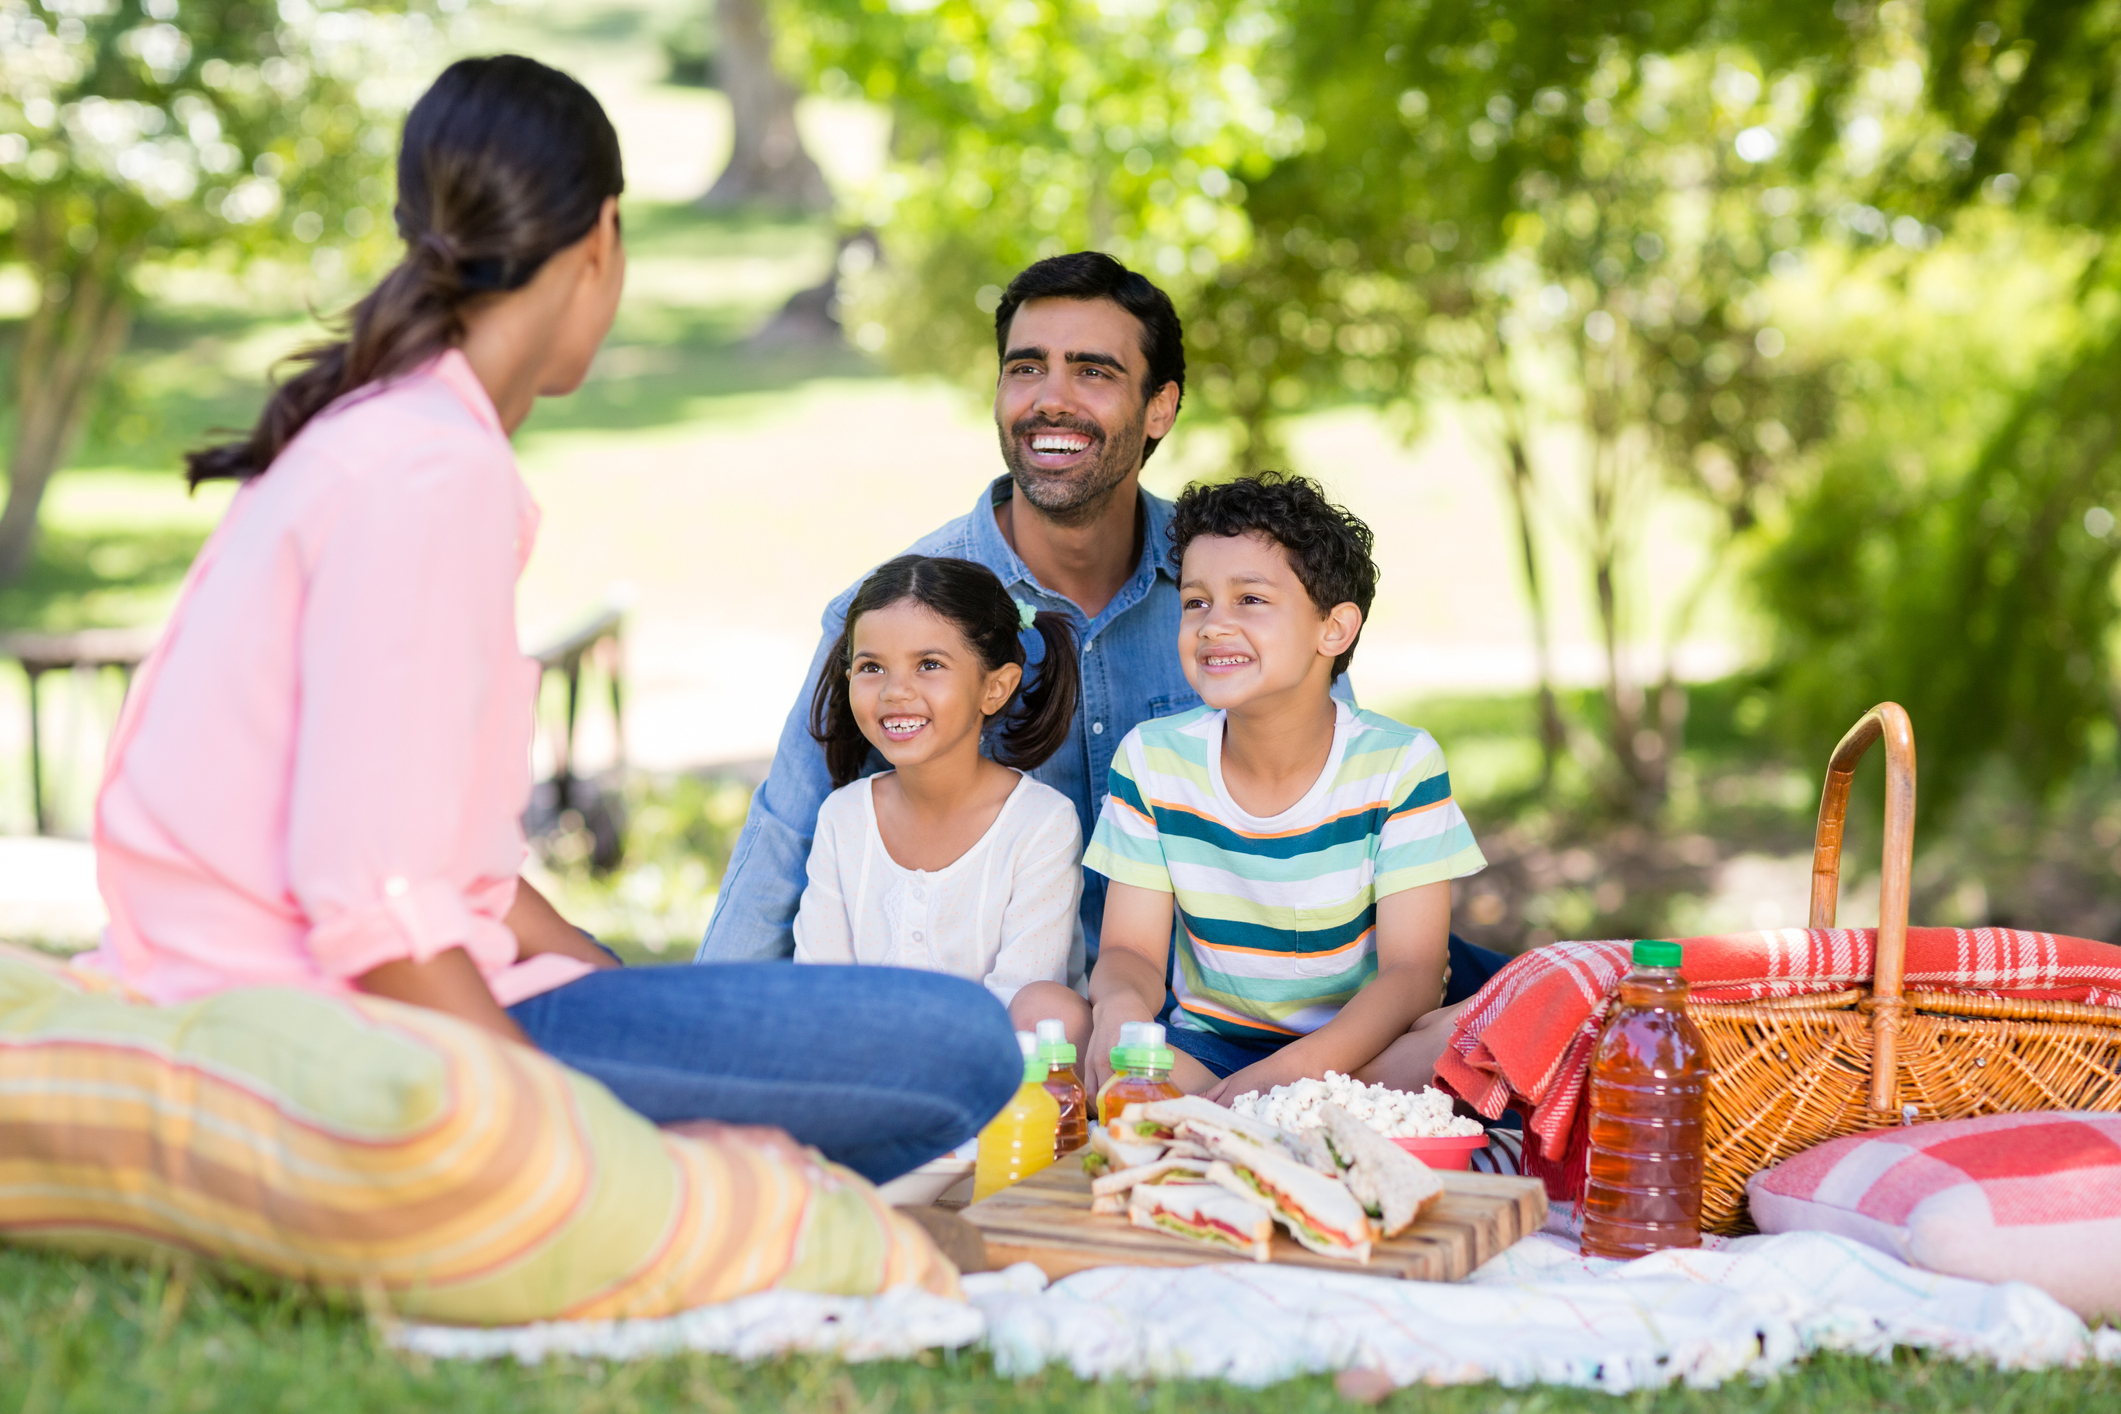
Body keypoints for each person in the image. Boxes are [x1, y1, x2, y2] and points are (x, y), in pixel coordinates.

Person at [84, 54, 1019, 1186]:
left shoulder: (390, 434)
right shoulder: (428, 472)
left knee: (649, 990)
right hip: (316, 1022)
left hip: (294, 975)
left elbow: (439, 855)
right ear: (601, 241)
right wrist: (545, 1139)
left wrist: (595, 974)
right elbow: (373, 901)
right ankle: (686, 1170)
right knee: (961, 1045)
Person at [701, 251, 1356, 967]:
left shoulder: (1255, 597)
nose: (1050, 398)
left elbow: (1348, 814)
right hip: (995, 1045)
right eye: (1024, 368)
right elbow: (783, 846)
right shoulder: (889, 620)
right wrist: (704, 1046)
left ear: (1159, 406)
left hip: (1216, 1032)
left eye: (1092, 371)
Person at [1056, 473, 1490, 1102]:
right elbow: (1130, 951)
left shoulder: (1400, 762)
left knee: (1462, 1039)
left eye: (1250, 600)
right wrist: (1122, 1006)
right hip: (1206, 1051)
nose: (1212, 625)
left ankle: (1256, 1112)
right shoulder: (1153, 759)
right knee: (1064, 1018)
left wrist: (1283, 1080)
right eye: (1196, 602)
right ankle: (1273, 1116)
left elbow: (1412, 976)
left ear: (1334, 630)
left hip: (1360, 1051)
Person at [793, 555, 1089, 1028]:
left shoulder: (1041, 822)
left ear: (995, 688)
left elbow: (1023, 1002)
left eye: (928, 664)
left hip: (998, 1072)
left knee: (1052, 1010)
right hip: (865, 1068)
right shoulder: (843, 818)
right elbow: (819, 989)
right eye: (872, 667)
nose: (894, 692)